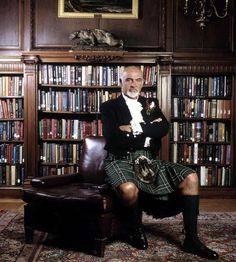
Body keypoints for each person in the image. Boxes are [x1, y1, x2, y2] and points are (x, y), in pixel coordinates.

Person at [100, 66, 219, 260]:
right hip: (119, 159)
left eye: (138, 80)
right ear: (120, 82)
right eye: (129, 80)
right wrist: (148, 129)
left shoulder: (150, 104)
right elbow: (113, 139)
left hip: (148, 159)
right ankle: (134, 230)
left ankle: (192, 239)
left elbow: (163, 128)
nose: (133, 84)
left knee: (191, 177)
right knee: (129, 189)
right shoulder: (109, 107)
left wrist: (134, 129)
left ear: (143, 82)